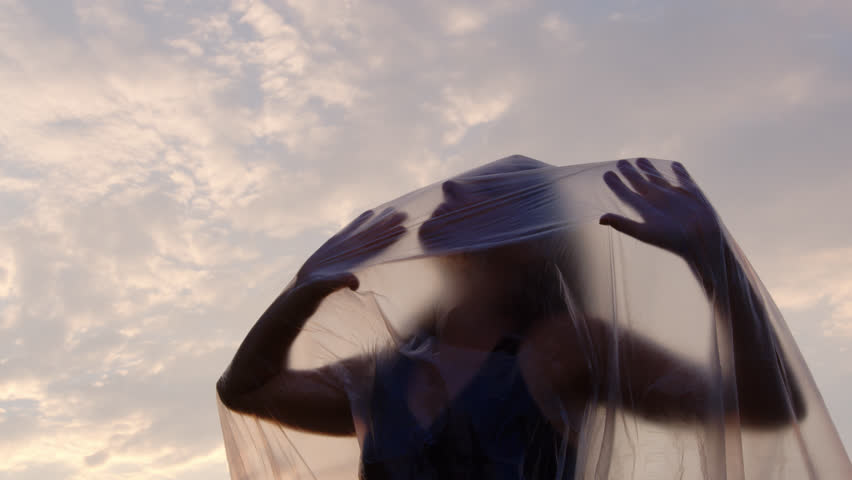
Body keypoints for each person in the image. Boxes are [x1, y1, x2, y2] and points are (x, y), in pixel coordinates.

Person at [216, 156, 806, 479]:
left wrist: (714, 262)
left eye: (483, 200)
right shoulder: (385, 374)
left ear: (525, 238)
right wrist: (304, 290)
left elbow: (767, 407)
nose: (445, 193)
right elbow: (245, 390)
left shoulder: (563, 347)